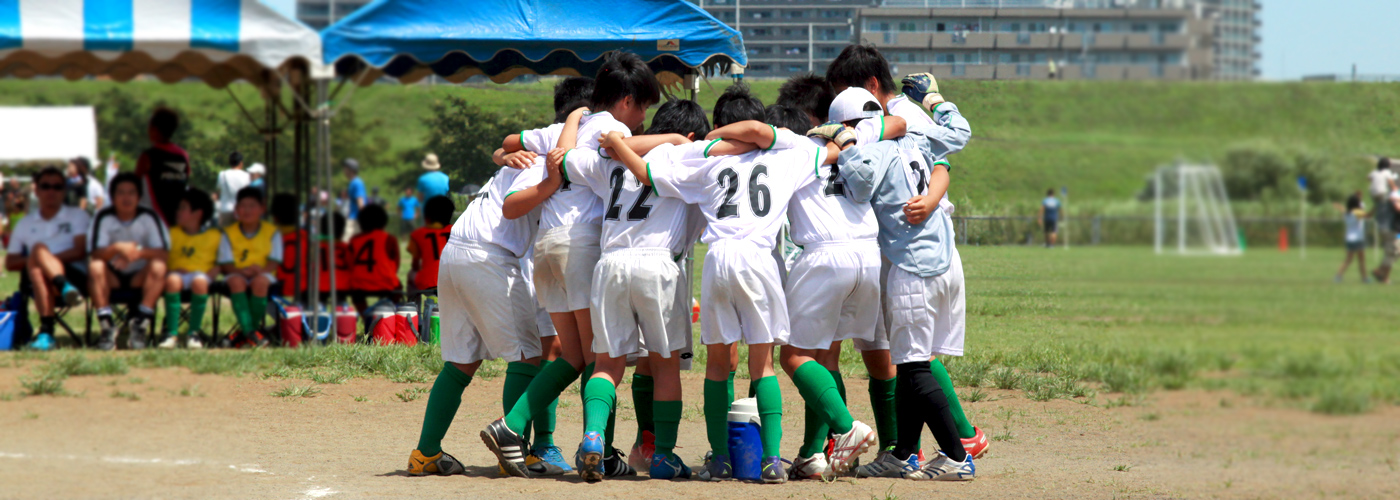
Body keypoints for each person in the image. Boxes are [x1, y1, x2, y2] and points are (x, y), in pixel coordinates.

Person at [603, 84, 847, 483]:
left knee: (718, 366)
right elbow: (832, 152)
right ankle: (771, 459)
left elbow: (646, 171)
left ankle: (719, 458)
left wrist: (618, 140)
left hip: (719, 258)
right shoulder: (788, 157)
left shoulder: (705, 161)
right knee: (763, 364)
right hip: (759, 259)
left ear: (718, 125)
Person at [480, 57, 662, 479]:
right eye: (642, 110)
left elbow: (507, 143)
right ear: (627, 101)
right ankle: (601, 447)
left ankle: (510, 426)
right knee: (603, 354)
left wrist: (503, 153)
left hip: (547, 245)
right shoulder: (608, 130)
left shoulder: (570, 126)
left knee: (574, 355)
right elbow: (640, 147)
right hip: (580, 245)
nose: (641, 120)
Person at [543, 99, 720, 480]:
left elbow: (568, 156)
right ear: (690, 136)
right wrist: (678, 142)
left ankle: (592, 436)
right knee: (665, 363)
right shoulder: (687, 159)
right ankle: (664, 455)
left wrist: (576, 118)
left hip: (610, 264)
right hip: (658, 263)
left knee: (606, 364)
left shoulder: (611, 160)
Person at [827, 46, 988, 462]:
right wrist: (936, 100)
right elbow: (951, 145)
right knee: (907, 355)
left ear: (871, 87)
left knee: (912, 361)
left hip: (911, 251)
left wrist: (845, 142)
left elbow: (863, 181)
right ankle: (904, 452)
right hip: (933, 244)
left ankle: (957, 448)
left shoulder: (892, 125)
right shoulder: (908, 123)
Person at [405, 133, 556, 480]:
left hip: (456, 249)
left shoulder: (529, 151)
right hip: (489, 255)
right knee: (527, 356)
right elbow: (513, 205)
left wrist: (502, 154)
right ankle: (513, 450)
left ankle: (425, 453)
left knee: (461, 361)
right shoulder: (548, 157)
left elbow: (503, 151)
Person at [4, 166, 90, 350]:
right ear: (37, 190)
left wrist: (43, 259)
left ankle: (46, 333)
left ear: (64, 190)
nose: (51, 191)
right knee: (37, 255)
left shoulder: (78, 216)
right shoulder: (25, 223)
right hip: (43, 283)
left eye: (57, 186)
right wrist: (40, 259)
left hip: (75, 276)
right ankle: (62, 285)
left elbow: (80, 251)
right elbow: (10, 263)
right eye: (46, 186)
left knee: (37, 255)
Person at [89, 173, 171, 351]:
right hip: (112, 276)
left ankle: (140, 323)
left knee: (159, 265)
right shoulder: (103, 217)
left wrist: (136, 252)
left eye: (131, 192)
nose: (126, 197)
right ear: (112, 196)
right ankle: (107, 326)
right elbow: (95, 253)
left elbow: (164, 253)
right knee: (95, 266)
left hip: (140, 276)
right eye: (121, 193)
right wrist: (119, 247)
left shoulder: (149, 217)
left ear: (139, 197)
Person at [218, 187, 282, 347]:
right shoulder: (228, 233)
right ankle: (252, 333)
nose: (247, 210)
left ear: (262, 208)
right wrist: (241, 271)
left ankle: (245, 333)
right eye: (243, 206)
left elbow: (275, 261)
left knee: (260, 282)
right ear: (236, 209)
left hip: (264, 274)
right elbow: (225, 264)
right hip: (237, 273)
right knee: (236, 282)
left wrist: (260, 271)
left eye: (252, 206)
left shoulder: (272, 232)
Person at [158, 188, 219, 349]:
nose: (177, 212)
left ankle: (194, 333)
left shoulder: (214, 236)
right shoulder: (171, 233)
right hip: (176, 274)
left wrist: (210, 276)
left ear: (198, 213)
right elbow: (162, 258)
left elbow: (219, 264)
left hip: (201, 276)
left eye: (183, 208)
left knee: (199, 282)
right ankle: (171, 334)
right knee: (172, 280)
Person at [135, 107, 190, 225]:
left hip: (153, 219)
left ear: (154, 130)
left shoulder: (147, 157)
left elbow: (134, 184)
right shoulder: (183, 155)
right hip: (176, 219)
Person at [348, 204, 401, 313]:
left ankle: (365, 316)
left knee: (356, 295)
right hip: (385, 283)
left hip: (359, 284)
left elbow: (350, 263)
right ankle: (388, 313)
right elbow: (396, 263)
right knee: (398, 288)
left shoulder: (355, 239)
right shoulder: (390, 239)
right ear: (383, 222)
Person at [407, 196, 454, 292]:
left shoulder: (418, 234)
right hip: (454, 281)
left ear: (427, 216)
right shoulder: (456, 230)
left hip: (428, 282)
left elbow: (415, 264)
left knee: (411, 274)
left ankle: (413, 304)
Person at [271, 193, 309, 299]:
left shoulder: (269, 235)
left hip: (275, 286)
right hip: (304, 286)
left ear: (274, 215)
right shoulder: (305, 236)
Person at [1336, 192, 1369, 283]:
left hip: (1349, 238)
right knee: (1361, 260)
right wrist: (1377, 207)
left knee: (1348, 260)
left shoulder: (1346, 213)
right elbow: (1368, 215)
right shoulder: (1357, 212)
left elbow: (1343, 210)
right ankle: (1364, 278)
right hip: (1358, 239)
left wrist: (1339, 206)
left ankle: (1338, 276)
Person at [1374, 179, 1400, 285]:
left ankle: (1380, 271)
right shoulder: (1394, 195)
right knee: (1392, 252)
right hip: (1394, 229)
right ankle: (1383, 276)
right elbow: (1397, 207)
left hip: (1397, 230)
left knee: (1395, 252)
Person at [343, 158, 366, 240]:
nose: (344, 170)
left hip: (355, 219)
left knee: (346, 241)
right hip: (353, 217)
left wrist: (364, 217)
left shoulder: (357, 183)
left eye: (345, 168)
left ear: (351, 170)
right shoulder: (353, 182)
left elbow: (360, 201)